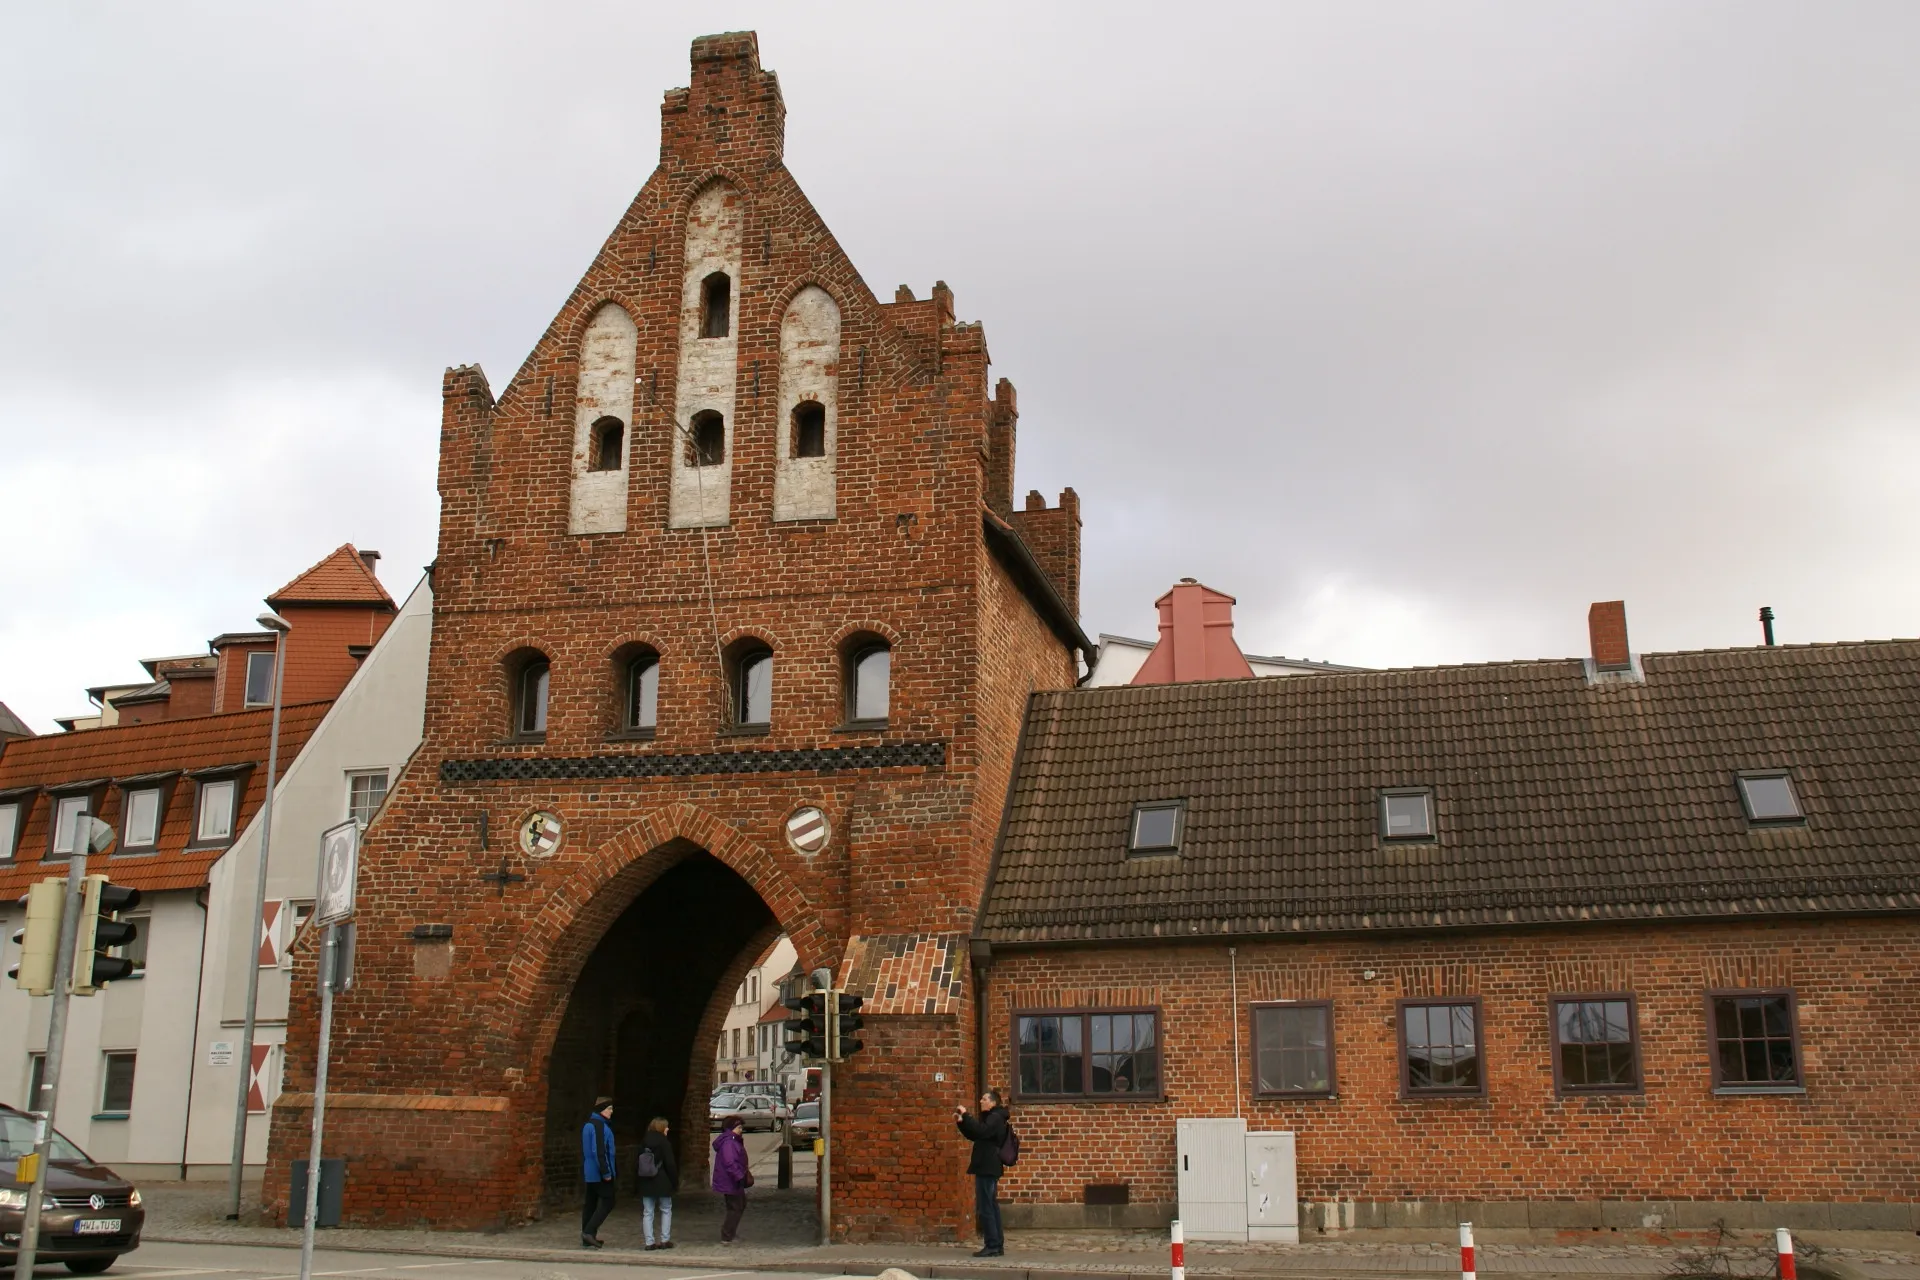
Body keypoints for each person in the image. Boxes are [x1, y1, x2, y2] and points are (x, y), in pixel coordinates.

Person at [954, 1088, 1009, 1257]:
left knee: (986, 1207)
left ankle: (992, 1245)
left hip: (988, 1166)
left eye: (984, 1099)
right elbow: (976, 1135)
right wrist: (962, 1123)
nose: (981, 1101)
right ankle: (996, 1244)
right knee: (990, 1205)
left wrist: (967, 1115)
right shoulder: (993, 1118)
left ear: (992, 1102)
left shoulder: (995, 1117)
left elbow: (981, 1131)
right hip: (988, 1165)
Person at [580, 1097, 617, 1248]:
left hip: (590, 1171)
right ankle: (589, 1232)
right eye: (609, 1109)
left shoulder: (589, 1125)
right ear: (602, 1110)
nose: (611, 1112)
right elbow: (599, 1151)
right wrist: (606, 1172)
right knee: (609, 1201)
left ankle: (587, 1236)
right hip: (599, 1171)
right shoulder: (599, 1126)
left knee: (591, 1203)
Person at [637, 1115, 678, 1250]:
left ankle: (649, 1242)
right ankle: (665, 1240)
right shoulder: (664, 1143)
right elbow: (670, 1164)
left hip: (646, 1180)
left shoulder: (644, 1141)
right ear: (661, 1128)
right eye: (666, 1126)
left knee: (648, 1212)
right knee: (666, 1209)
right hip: (662, 1180)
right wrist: (674, 1182)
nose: (668, 1128)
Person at [710, 1114, 752, 1243]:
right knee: (735, 1207)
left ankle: (730, 1233)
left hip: (731, 1180)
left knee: (738, 1205)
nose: (741, 1130)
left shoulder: (731, 1140)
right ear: (731, 1128)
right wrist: (739, 1176)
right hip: (731, 1181)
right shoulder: (729, 1142)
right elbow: (730, 1162)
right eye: (739, 1127)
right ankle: (727, 1235)